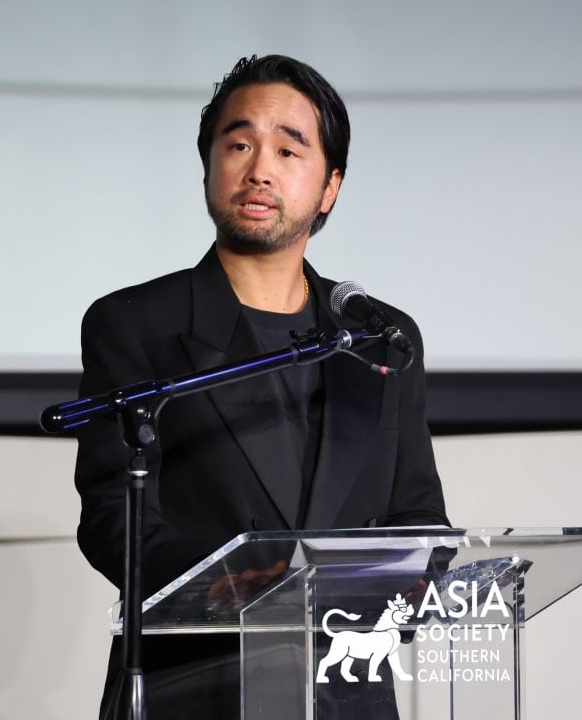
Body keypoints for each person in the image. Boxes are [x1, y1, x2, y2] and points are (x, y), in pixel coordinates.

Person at [74, 54, 449, 720]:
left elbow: (418, 517)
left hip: (345, 693)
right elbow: (112, 522)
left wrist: (415, 580)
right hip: (192, 686)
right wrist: (249, 580)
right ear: (209, 165)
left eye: (288, 149)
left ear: (330, 186)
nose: (259, 169)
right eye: (239, 143)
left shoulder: (380, 338)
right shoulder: (137, 325)